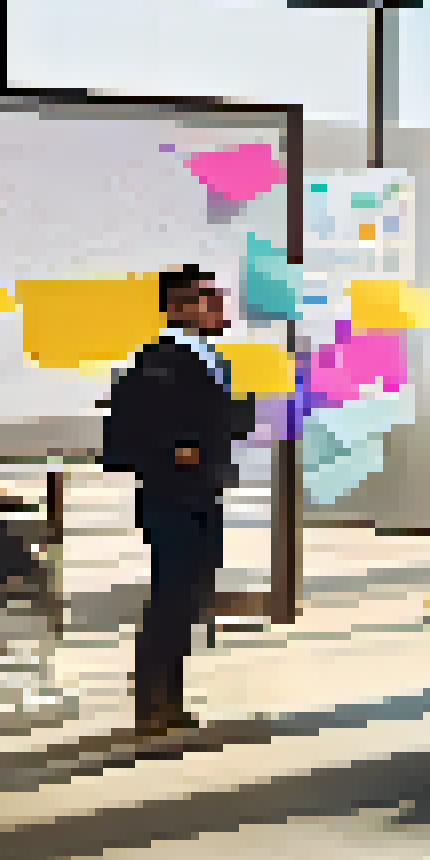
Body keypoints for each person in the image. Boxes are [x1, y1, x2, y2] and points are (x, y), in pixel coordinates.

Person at [100, 266, 256, 737]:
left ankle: (169, 698)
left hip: (204, 492)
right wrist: (175, 452)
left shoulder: (211, 358)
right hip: (174, 496)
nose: (216, 305)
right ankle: (152, 703)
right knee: (172, 597)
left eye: (216, 296)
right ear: (175, 308)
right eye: (203, 298)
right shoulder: (159, 360)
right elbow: (126, 433)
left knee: (189, 597)